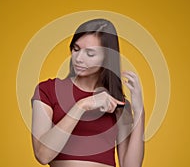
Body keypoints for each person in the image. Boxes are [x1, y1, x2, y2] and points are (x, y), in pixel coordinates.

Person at [31, 18, 144, 167]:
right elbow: (42, 155)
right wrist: (82, 105)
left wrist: (139, 110)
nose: (78, 59)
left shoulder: (116, 103)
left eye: (90, 54)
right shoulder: (47, 90)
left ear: (107, 58)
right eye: (76, 49)